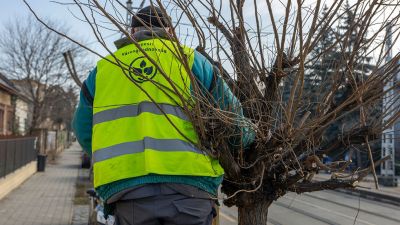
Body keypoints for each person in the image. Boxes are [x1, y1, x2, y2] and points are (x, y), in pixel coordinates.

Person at [73, 5, 254, 225]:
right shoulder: (192, 61)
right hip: (190, 191)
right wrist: (248, 140)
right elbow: (233, 121)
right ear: (170, 31)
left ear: (132, 33)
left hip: (126, 191)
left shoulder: (104, 70)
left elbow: (83, 130)